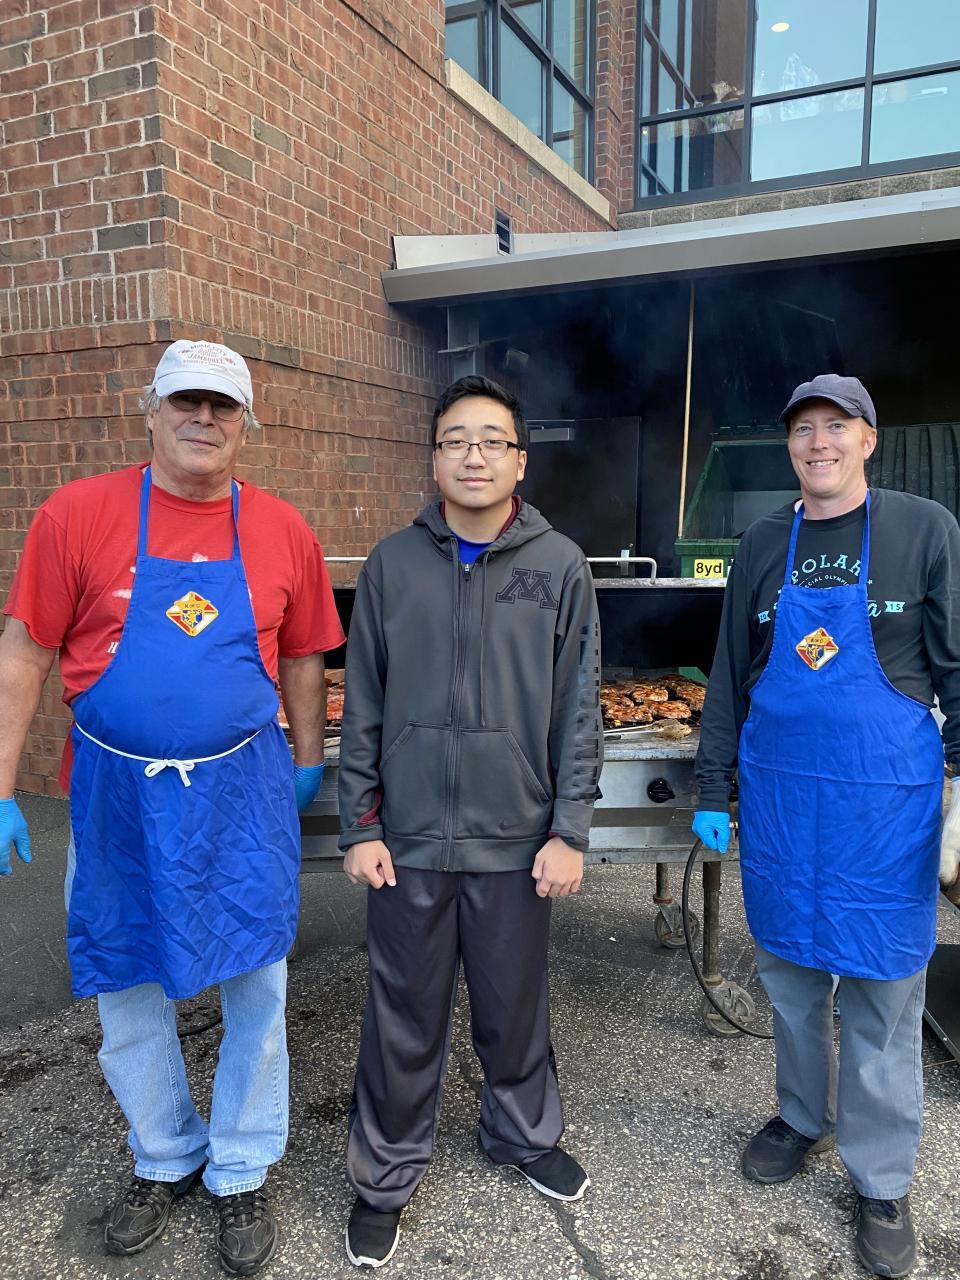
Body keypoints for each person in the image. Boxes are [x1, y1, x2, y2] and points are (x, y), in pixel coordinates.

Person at [0, 340, 344, 1276]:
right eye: (186, 401)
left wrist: (307, 759)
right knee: (127, 982)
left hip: (244, 791)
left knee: (257, 982)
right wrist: (0, 786)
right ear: (149, 411)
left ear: (246, 424)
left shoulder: (282, 528)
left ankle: (241, 1166)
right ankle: (164, 1154)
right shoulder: (76, 515)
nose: (204, 419)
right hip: (114, 793)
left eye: (223, 406)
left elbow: (305, 653)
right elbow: (25, 652)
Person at [693, 374, 960, 1278]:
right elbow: (729, 676)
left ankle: (882, 1179)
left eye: (836, 427)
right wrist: (712, 787)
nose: (819, 443)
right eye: (804, 429)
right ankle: (803, 1116)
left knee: (884, 986)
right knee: (792, 973)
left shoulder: (924, 529)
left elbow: (958, 668)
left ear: (868, 439)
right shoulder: (763, 544)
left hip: (884, 807)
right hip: (783, 804)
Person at [336, 374, 603, 1268]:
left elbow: (578, 709)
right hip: (407, 842)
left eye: (492, 440)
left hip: (517, 840)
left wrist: (568, 829)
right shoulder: (391, 565)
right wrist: (361, 825)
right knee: (401, 1018)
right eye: (456, 440)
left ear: (520, 460)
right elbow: (363, 704)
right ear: (435, 458)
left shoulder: (558, 565)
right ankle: (384, 1176)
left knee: (513, 1007)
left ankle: (521, 1136)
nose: (474, 455)